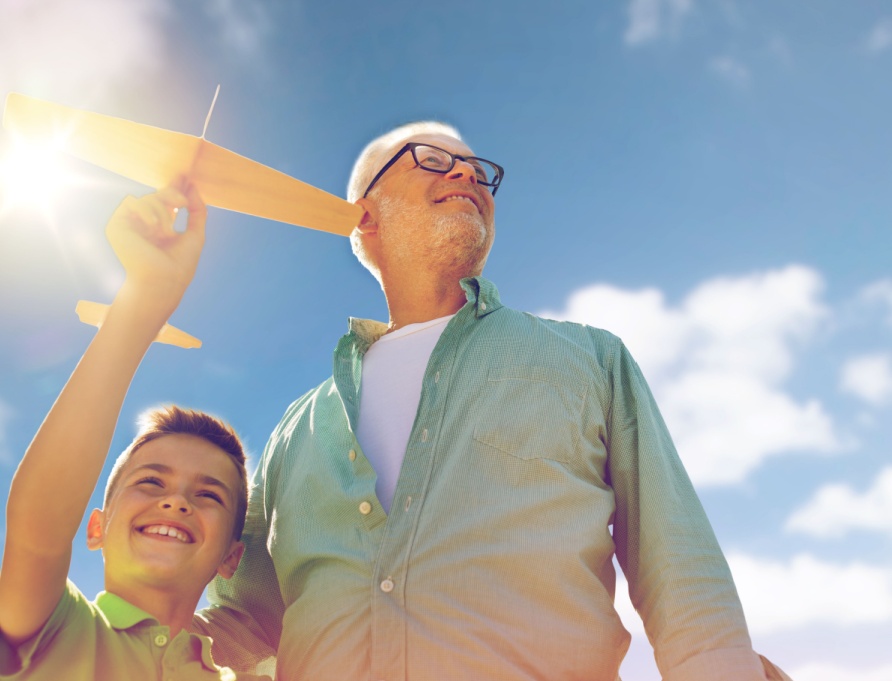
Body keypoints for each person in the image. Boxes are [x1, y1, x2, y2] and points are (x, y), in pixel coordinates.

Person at [197, 123, 791, 680]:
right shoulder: (293, 431)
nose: (467, 176)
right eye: (433, 160)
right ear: (366, 218)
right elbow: (242, 623)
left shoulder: (592, 359)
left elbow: (680, 570)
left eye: (478, 171)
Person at [0, 184, 270, 680]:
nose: (176, 502)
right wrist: (144, 298)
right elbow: (37, 530)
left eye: (209, 494)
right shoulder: (52, 630)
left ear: (231, 558)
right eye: (151, 482)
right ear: (96, 527)